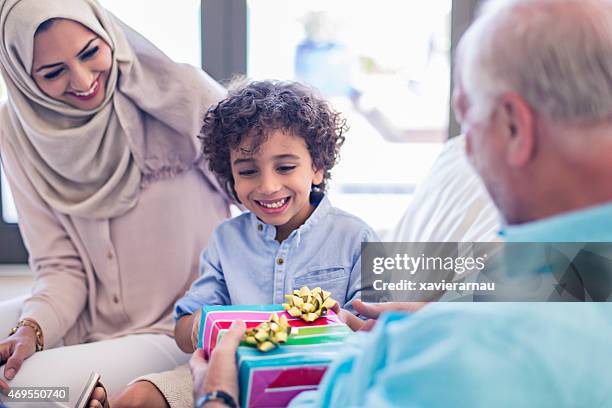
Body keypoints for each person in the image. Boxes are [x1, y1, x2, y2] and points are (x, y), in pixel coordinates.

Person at [189, 0, 612, 406]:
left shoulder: (474, 348)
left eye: (468, 120)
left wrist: (217, 393)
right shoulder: (563, 271)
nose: (465, 151)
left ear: (514, 127)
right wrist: (431, 312)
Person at [90, 80, 378, 407]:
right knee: (135, 399)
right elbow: (184, 332)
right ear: (231, 176)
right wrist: (205, 324)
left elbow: (379, 336)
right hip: (227, 374)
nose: (268, 186)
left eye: (285, 167)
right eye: (248, 171)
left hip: (321, 381)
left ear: (317, 167)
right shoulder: (226, 239)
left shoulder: (357, 237)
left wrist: (337, 323)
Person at [0, 0, 229, 406]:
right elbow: (60, 267)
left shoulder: (183, 95)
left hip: (173, 327)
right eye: (53, 73)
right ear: (22, 77)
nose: (84, 79)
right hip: (86, 312)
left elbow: (271, 193)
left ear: (107, 33)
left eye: (91, 52)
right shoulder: (17, 130)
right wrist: (32, 329)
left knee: (28, 390)